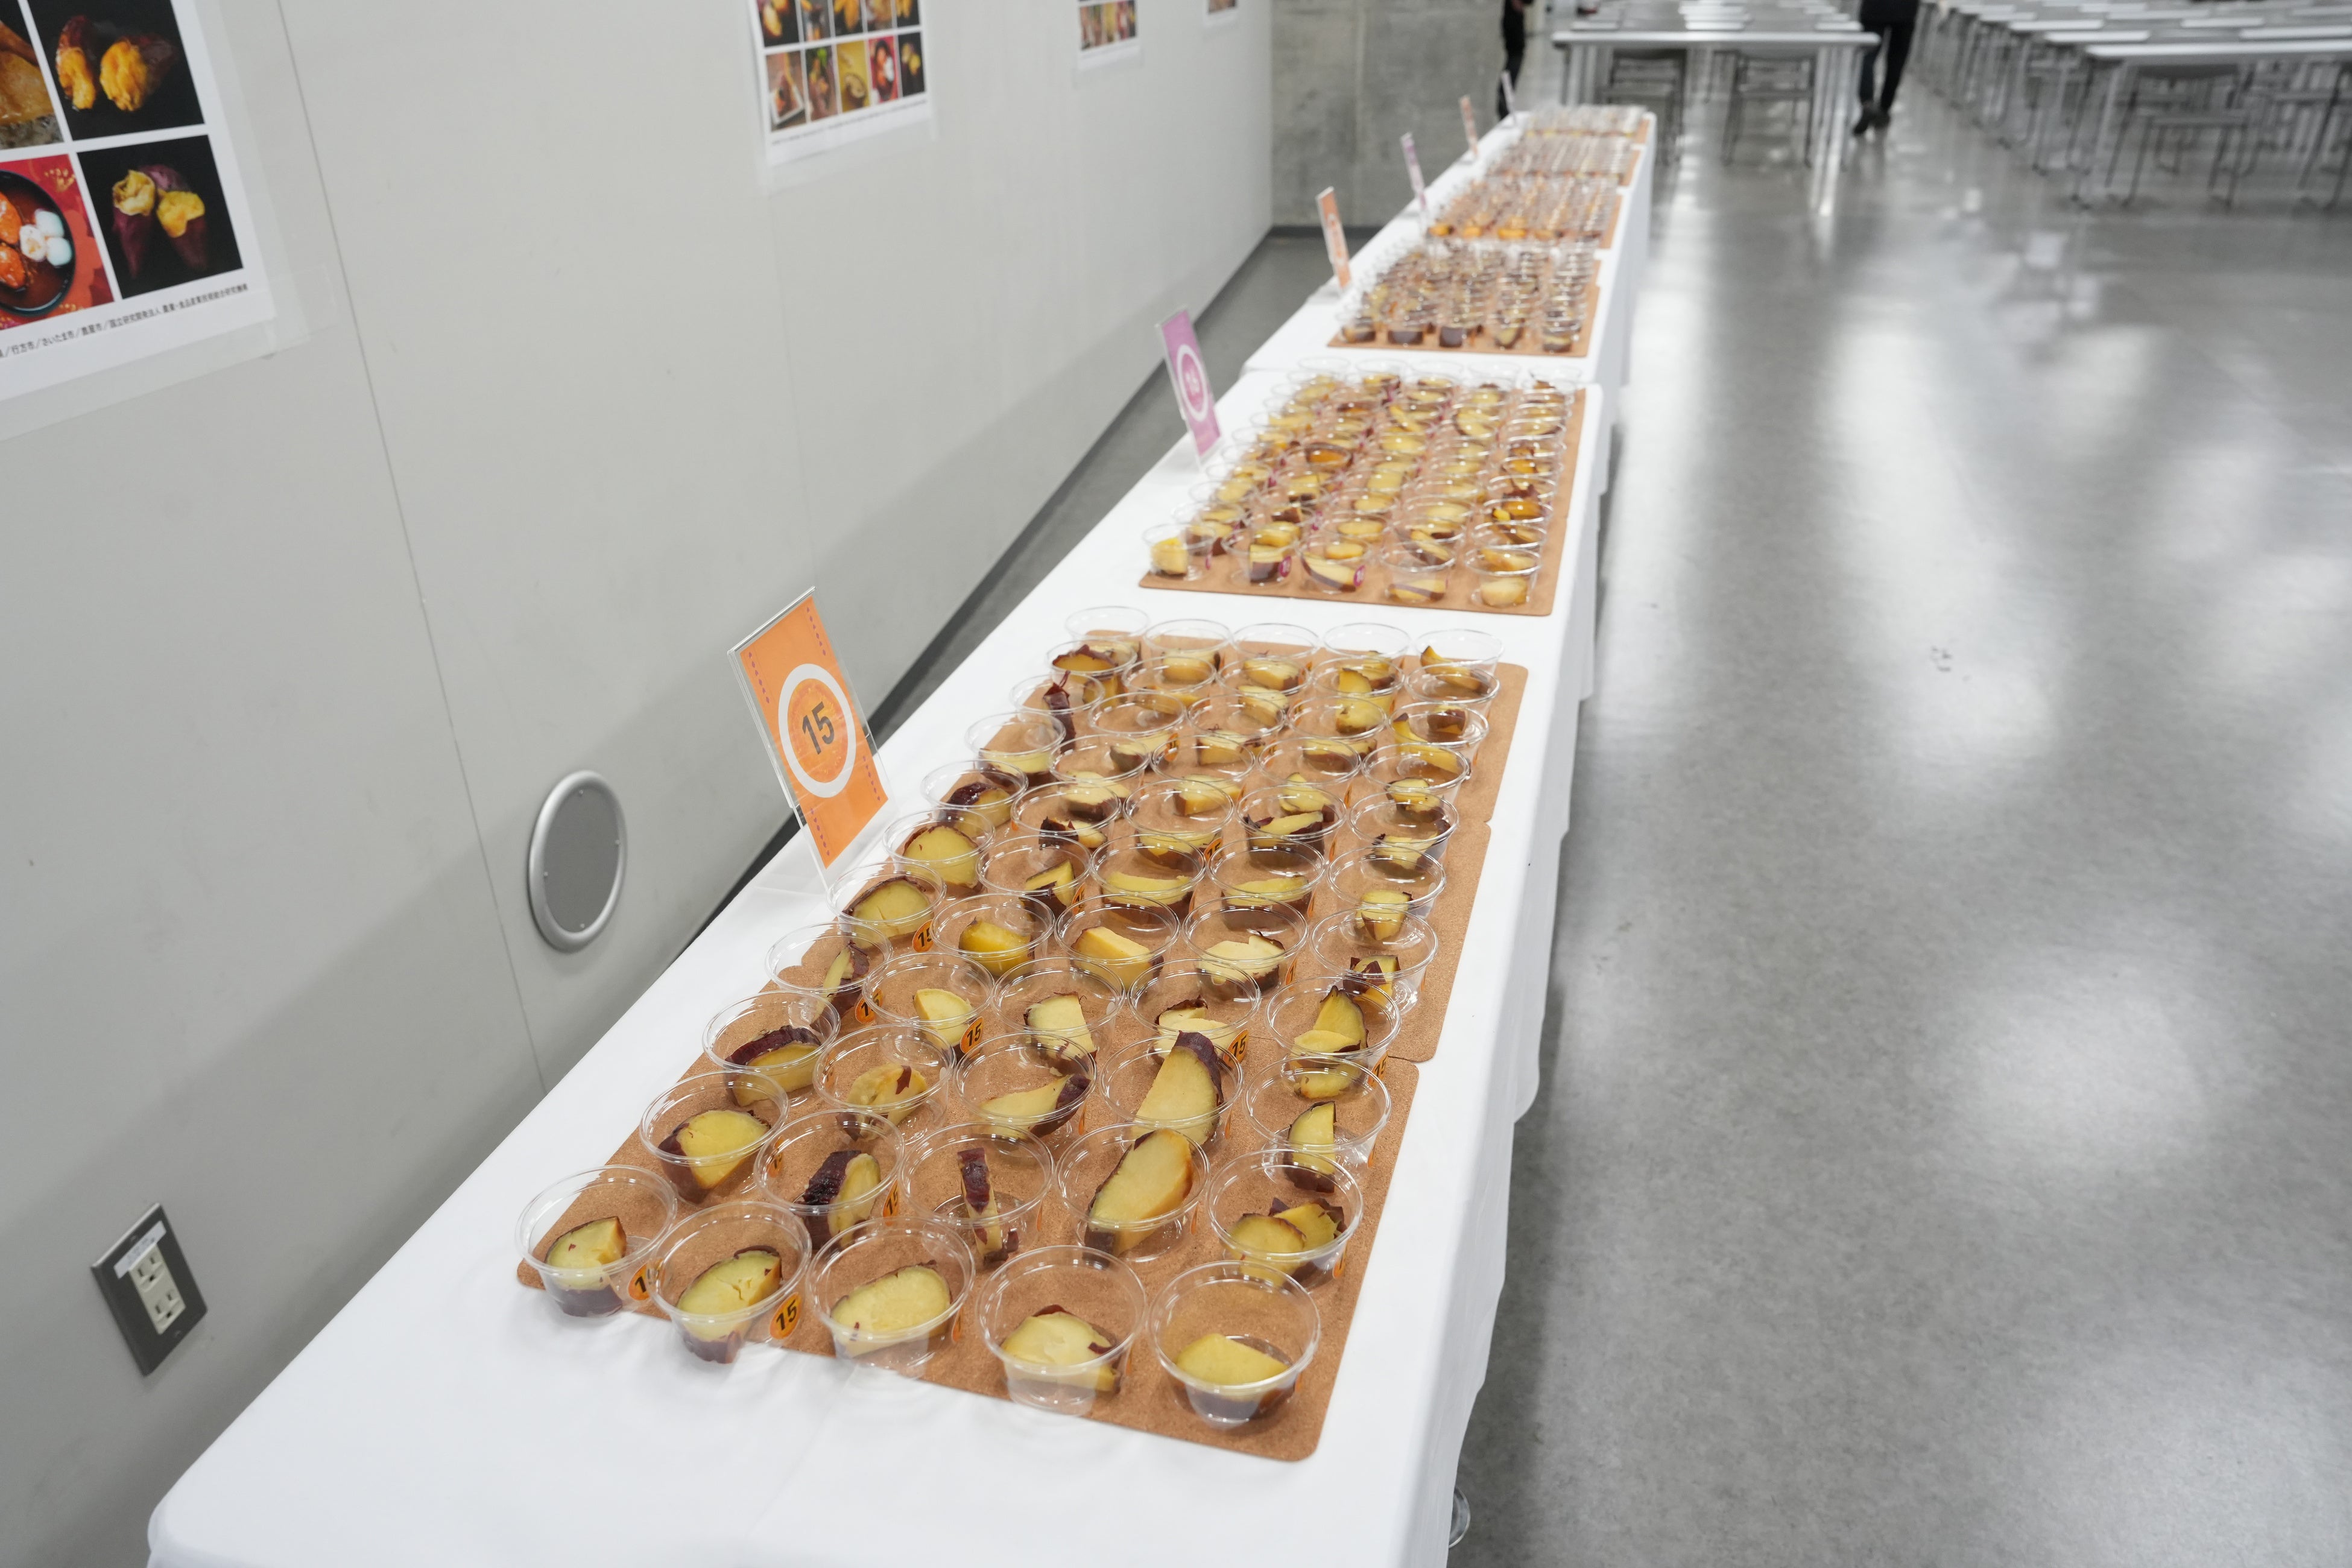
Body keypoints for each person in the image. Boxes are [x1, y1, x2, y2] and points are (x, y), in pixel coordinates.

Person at [1853, 0, 1921, 135]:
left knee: (1867, 56)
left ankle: (1867, 103)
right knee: (1896, 61)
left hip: (1875, 7)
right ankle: (1884, 109)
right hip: (1905, 9)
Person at [1499, 0, 1528, 118]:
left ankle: (1505, 99)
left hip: (1513, 25)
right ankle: (1505, 100)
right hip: (1513, 27)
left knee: (1514, 59)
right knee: (1514, 60)